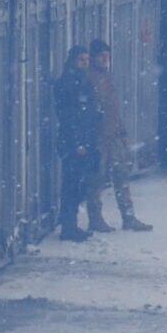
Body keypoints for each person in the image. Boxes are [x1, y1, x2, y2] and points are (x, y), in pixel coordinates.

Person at [82, 39, 151, 232]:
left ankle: (128, 217)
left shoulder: (106, 78)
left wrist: (122, 133)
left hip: (113, 136)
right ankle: (96, 218)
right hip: (98, 138)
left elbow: (113, 109)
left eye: (107, 56)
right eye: (102, 56)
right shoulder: (89, 80)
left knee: (121, 176)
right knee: (97, 179)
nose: (105, 60)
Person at [51, 47, 103, 242]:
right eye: (81, 60)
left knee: (77, 184)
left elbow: (85, 112)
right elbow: (68, 116)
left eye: (87, 60)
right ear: (73, 60)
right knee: (71, 185)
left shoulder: (82, 81)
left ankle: (71, 224)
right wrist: (77, 143)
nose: (85, 63)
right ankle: (68, 226)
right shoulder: (68, 83)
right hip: (74, 142)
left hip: (83, 139)